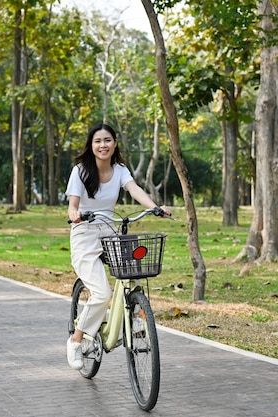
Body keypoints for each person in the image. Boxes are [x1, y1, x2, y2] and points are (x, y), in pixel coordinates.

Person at [65, 123, 170, 370]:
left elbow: (134, 189)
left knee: (133, 273)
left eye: (108, 140)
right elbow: (72, 205)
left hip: (110, 230)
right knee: (102, 294)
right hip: (85, 232)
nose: (103, 145)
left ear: (115, 144)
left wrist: (154, 207)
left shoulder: (120, 169)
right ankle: (76, 340)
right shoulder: (80, 171)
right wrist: (76, 214)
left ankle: (133, 316)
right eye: (98, 141)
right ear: (91, 146)